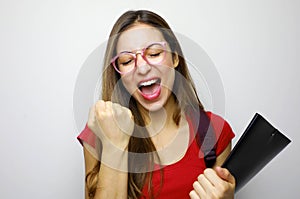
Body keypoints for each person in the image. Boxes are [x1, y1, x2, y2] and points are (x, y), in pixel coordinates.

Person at [77, 10, 236, 199]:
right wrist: (115, 144)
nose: (142, 67)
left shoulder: (213, 131)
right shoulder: (100, 128)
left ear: (175, 58)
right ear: (119, 74)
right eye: (127, 61)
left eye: (154, 53)